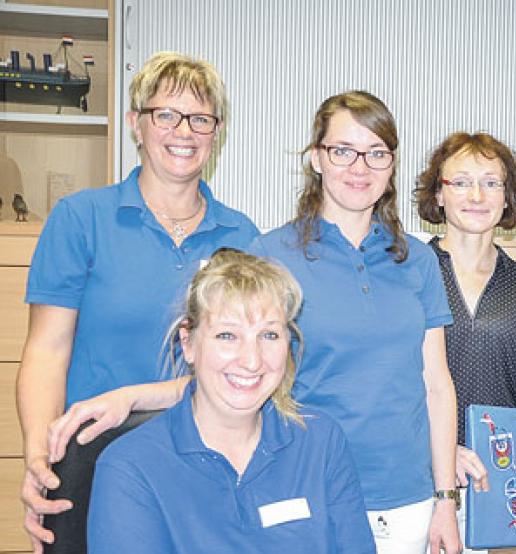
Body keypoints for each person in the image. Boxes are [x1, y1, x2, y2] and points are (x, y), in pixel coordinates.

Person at [17, 51, 258, 551]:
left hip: (208, 466)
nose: (183, 131)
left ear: (217, 133)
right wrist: (41, 457)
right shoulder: (81, 219)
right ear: (136, 123)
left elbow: (249, 369)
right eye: (165, 114)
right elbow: (47, 351)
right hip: (94, 461)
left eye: (200, 118)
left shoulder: (242, 236)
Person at [248, 90, 460, 554]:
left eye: (376, 153)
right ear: (317, 158)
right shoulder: (270, 256)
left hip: (407, 500)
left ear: (391, 166)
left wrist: (445, 499)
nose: (360, 167)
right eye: (343, 151)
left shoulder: (419, 261)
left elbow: (437, 386)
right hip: (307, 487)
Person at [85, 249, 374, 553]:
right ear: (188, 343)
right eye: (227, 335)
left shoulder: (321, 442)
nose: (252, 360)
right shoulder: (131, 466)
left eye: (269, 335)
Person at [414, 132, 516, 550]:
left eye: (491, 182)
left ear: (507, 199)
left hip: (501, 479)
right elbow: (393, 383)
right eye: (461, 181)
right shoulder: (411, 273)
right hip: (420, 476)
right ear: (439, 195)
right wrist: (445, 452)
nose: (477, 194)